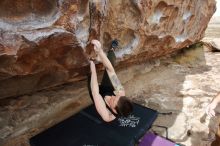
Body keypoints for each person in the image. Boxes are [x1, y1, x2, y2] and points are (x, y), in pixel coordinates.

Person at [88, 39, 133, 122]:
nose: (113, 96)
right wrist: (100, 51)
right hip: (106, 88)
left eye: (113, 100)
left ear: (114, 110)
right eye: (116, 96)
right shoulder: (121, 93)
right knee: (111, 63)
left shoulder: (107, 115)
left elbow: (95, 93)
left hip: (97, 93)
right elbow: (111, 71)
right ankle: (111, 50)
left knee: (90, 73)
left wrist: (92, 63)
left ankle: (96, 60)